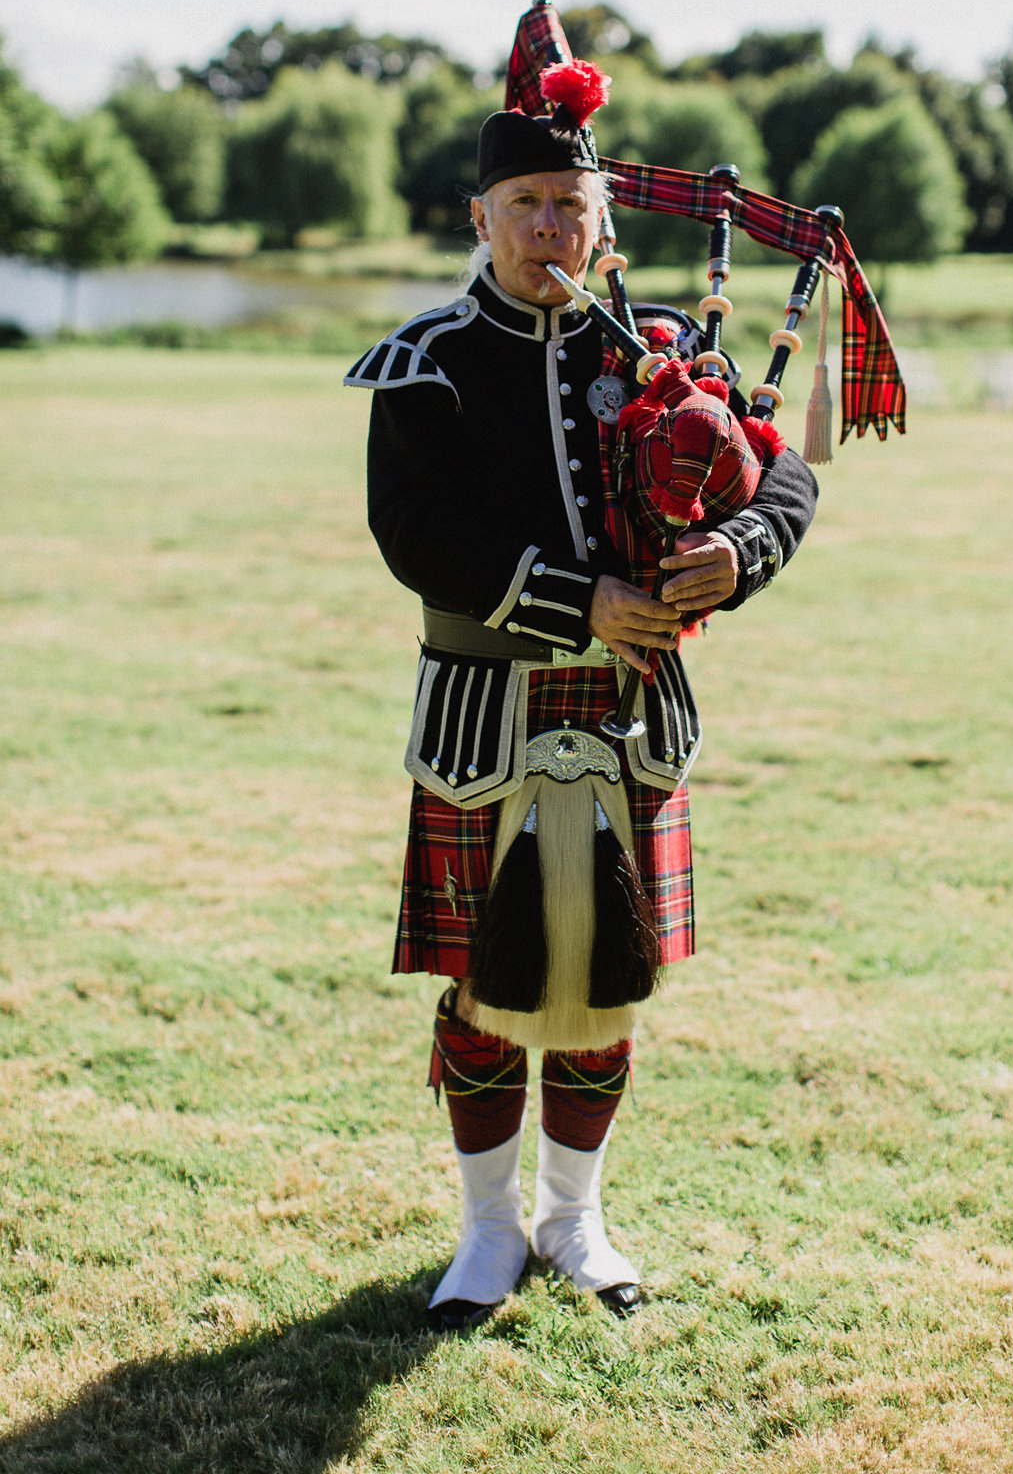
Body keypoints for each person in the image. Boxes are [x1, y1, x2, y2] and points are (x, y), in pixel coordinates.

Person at [345, 72, 817, 1330]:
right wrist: (578, 601)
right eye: (527, 203)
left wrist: (743, 553)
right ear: (482, 219)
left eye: (573, 203)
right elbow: (415, 535)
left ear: (605, 222)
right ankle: (487, 1233)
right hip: (484, 723)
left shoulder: (661, 351)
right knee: (486, 992)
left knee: (605, 989)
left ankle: (577, 1221)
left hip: (628, 719)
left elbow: (785, 485)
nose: (553, 224)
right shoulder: (426, 364)